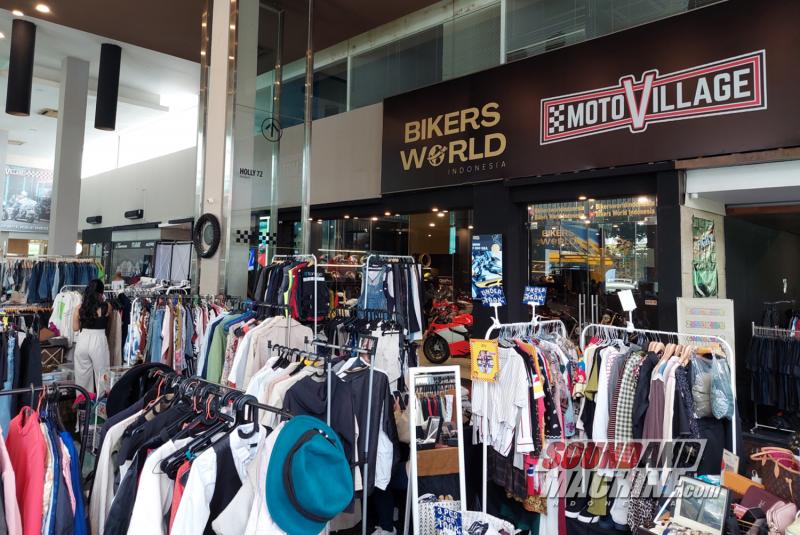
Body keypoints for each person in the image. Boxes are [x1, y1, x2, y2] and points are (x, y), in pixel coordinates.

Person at [72, 279, 111, 393]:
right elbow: (108, 324)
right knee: (102, 376)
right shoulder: (107, 307)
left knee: (82, 378)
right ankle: (102, 403)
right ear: (101, 293)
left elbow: (75, 328)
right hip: (98, 340)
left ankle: (83, 403)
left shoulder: (79, 308)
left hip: (82, 340)